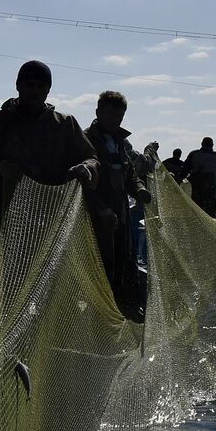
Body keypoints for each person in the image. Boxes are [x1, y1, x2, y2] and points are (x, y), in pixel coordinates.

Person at [0, 60, 98, 280]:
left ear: (48, 90)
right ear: (18, 86)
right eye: (28, 85)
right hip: (9, 224)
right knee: (7, 284)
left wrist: (86, 167)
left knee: (57, 284)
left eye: (40, 86)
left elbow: (90, 157)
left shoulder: (65, 124)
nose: (34, 91)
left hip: (55, 222)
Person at [83, 92, 148, 314]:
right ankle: (101, 312)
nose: (115, 120)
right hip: (95, 211)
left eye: (119, 116)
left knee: (126, 257)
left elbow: (129, 172)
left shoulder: (119, 142)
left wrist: (139, 189)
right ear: (98, 113)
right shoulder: (85, 139)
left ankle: (127, 307)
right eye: (110, 114)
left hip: (120, 207)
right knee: (101, 262)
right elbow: (81, 183)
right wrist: (100, 209)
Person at [183, 136, 216, 214]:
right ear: (212, 145)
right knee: (210, 208)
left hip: (197, 183)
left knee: (196, 207)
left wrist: (179, 178)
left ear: (202, 144)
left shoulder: (194, 154)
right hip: (211, 185)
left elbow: (185, 168)